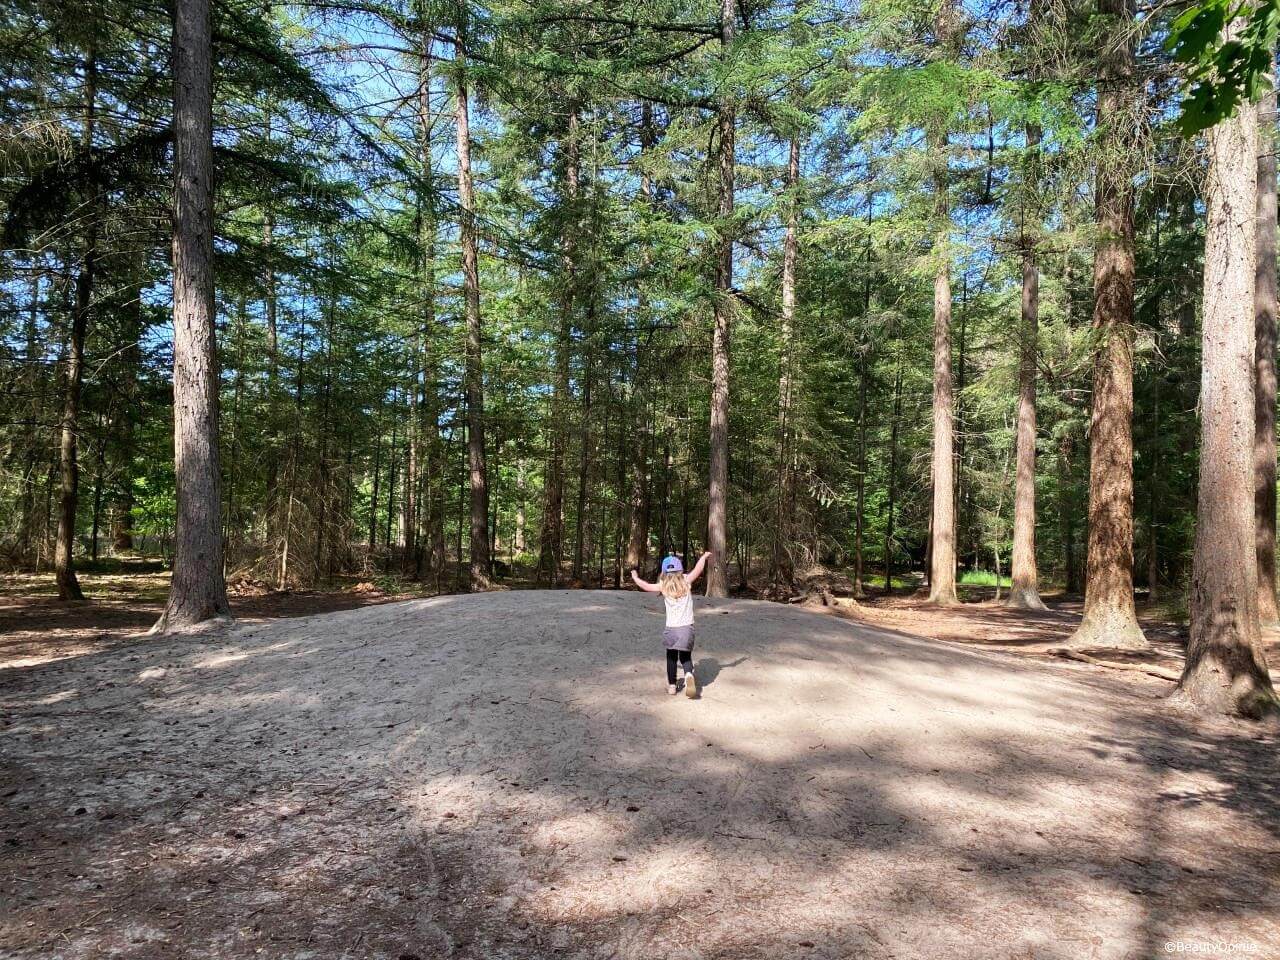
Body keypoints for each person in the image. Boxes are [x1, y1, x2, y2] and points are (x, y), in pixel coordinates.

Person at [631, 552, 712, 697]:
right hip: (687, 628)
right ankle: (688, 674)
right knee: (686, 657)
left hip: (671, 630)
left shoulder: (663, 585)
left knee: (671, 658)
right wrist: (703, 558)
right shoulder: (686, 580)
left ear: (664, 570)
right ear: (680, 569)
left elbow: (646, 586)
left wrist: (635, 577)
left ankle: (672, 686)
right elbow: (698, 570)